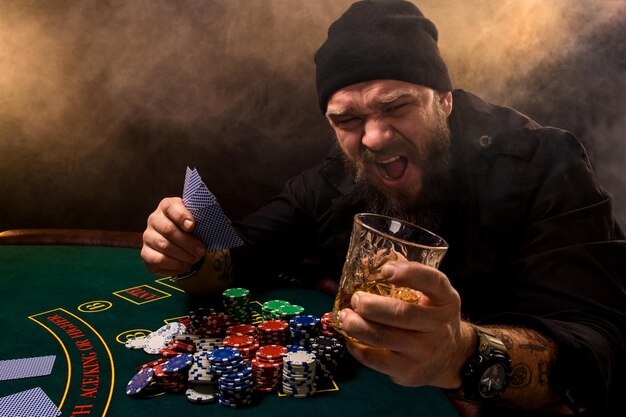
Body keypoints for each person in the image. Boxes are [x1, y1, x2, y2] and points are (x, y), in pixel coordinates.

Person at [141, 1, 625, 415]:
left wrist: (461, 352)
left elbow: (602, 347)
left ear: (445, 101)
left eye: (395, 107)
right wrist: (187, 249)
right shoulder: (332, 178)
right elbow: (239, 256)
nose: (372, 137)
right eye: (348, 119)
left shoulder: (543, 163)